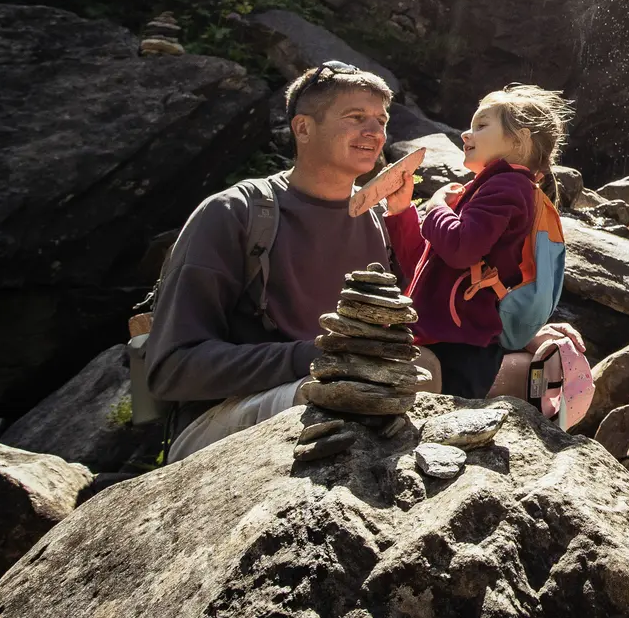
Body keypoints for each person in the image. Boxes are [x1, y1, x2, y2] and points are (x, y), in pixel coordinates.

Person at [144, 62, 427, 461]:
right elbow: (171, 369)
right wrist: (316, 356)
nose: (375, 133)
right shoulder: (235, 212)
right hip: (218, 423)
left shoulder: (378, 222)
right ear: (303, 128)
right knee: (340, 398)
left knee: (421, 373)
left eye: (381, 121)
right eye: (355, 118)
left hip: (337, 399)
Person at [402, 84, 574, 399]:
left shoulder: (506, 185)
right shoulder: (507, 187)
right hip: (460, 336)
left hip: (458, 340)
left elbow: (461, 248)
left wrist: (436, 208)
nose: (466, 135)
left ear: (520, 139)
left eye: (481, 126)